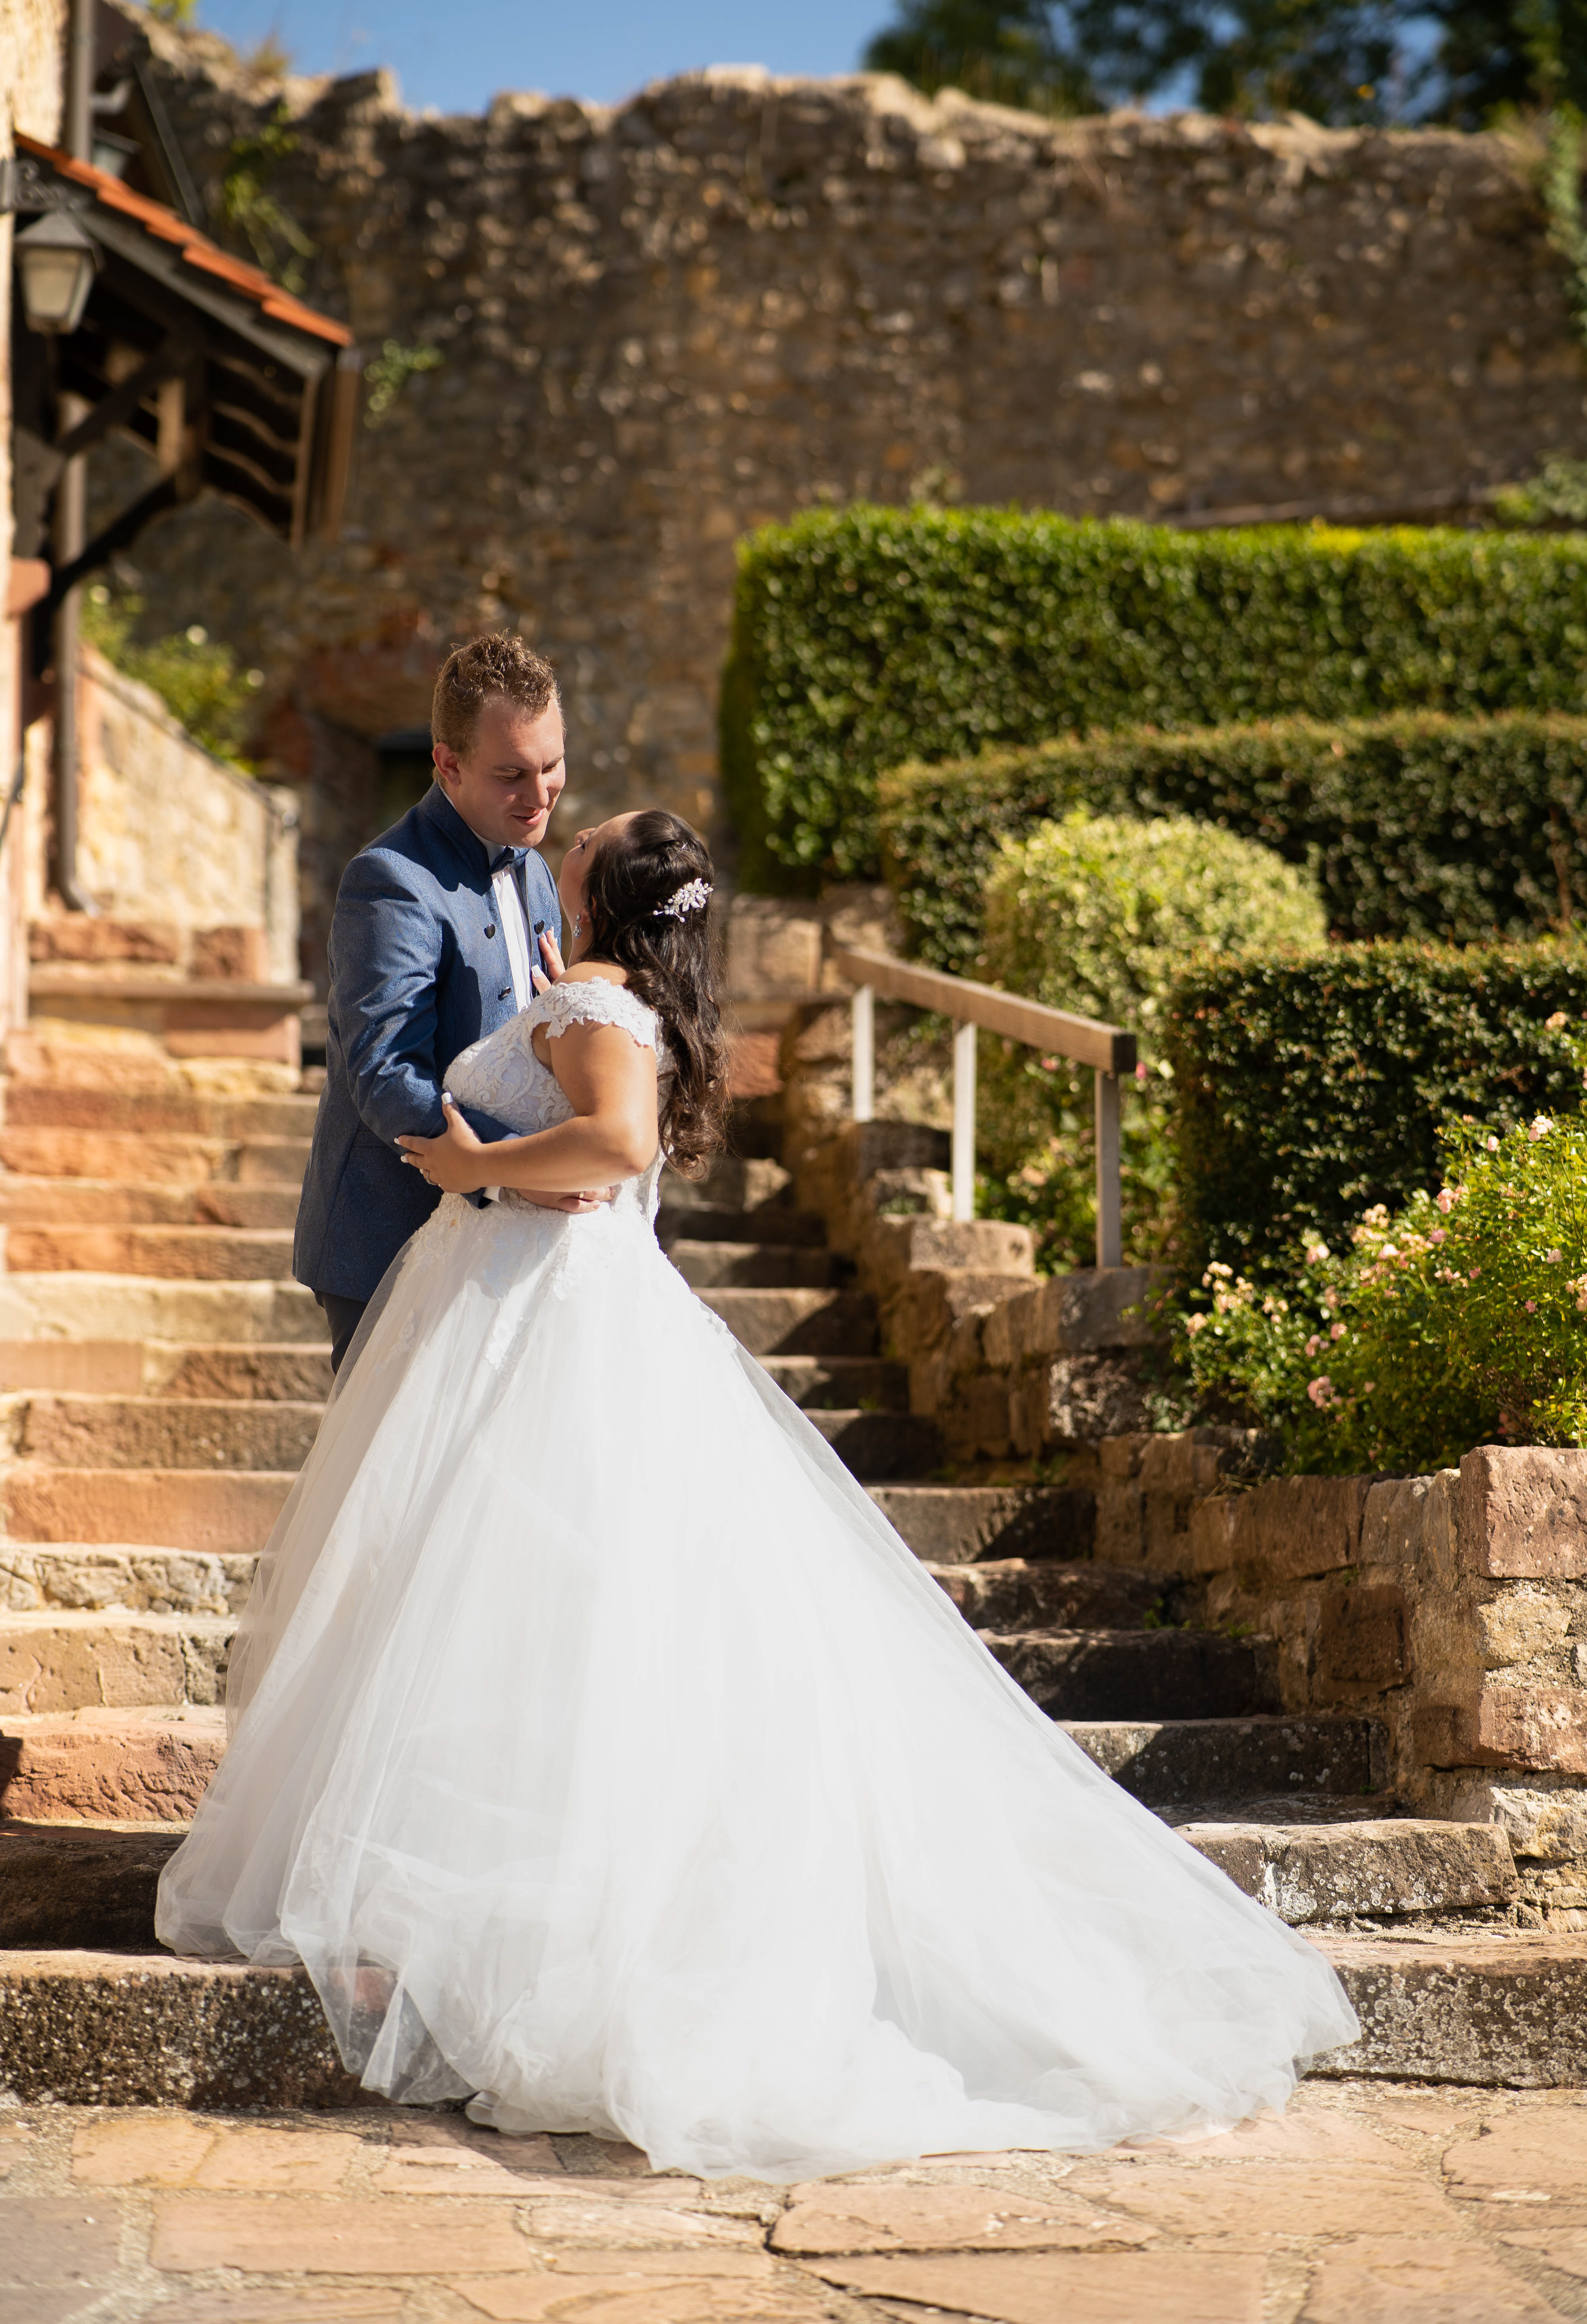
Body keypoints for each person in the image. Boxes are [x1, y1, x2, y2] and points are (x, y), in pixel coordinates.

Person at [158, 805, 1358, 2182]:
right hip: (525, 1311)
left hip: (551, 1323)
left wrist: (480, 1166)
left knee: (549, 1606)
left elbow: (610, 1147)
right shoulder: (607, 986)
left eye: (589, 833)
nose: (571, 828)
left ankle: (583, 1919)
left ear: (605, 891)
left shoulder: (598, 1000)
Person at [292, 631, 602, 1374]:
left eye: (552, 765)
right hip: (390, 1244)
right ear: (447, 764)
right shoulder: (390, 880)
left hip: (500, 1245)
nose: (538, 796)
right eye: (511, 774)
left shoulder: (532, 868)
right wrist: (517, 1166)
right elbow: (385, 1072)